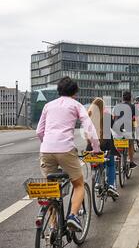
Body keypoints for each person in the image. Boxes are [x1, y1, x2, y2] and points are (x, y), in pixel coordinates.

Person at [36, 77, 100, 232]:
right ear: (75, 92)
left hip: (46, 150)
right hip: (65, 149)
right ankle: (72, 216)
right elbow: (89, 128)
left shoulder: (48, 105)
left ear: (59, 91)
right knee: (78, 184)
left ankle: (53, 226)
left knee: (51, 189)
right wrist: (96, 148)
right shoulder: (76, 105)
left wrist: (48, 144)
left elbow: (39, 131)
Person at [86, 97, 120, 199]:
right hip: (106, 145)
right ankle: (110, 185)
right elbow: (116, 128)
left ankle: (97, 182)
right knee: (110, 164)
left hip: (91, 146)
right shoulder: (107, 116)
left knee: (96, 163)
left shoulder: (89, 115)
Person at [113, 91, 138, 169]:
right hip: (127, 130)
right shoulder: (133, 106)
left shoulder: (117, 106)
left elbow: (113, 117)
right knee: (130, 144)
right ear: (130, 98)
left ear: (122, 98)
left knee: (117, 144)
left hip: (117, 130)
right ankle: (131, 162)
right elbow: (135, 118)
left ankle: (117, 160)